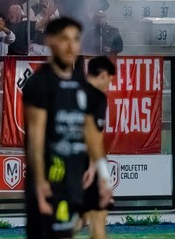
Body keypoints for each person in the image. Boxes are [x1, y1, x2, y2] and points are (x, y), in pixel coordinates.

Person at [23, 18, 113, 239]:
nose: (71, 46)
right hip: (49, 180)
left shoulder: (82, 86)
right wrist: (40, 182)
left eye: (76, 39)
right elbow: (35, 139)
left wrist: (103, 176)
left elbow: (92, 134)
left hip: (74, 180)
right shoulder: (40, 84)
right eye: (64, 39)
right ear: (50, 41)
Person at [81, 57, 116, 239]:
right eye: (110, 79)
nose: (110, 83)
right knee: (97, 215)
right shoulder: (97, 97)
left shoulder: (70, 91)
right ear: (103, 75)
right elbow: (94, 136)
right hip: (85, 163)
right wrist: (99, 172)